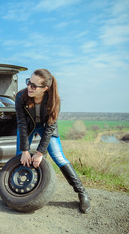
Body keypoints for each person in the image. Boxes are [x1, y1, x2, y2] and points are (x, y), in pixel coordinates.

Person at [15, 69, 91, 214]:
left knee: (58, 157)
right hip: (28, 127)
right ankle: (17, 195)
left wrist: (39, 152)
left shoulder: (54, 101)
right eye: (29, 82)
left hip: (46, 128)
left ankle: (82, 193)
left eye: (34, 86)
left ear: (45, 88)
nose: (29, 87)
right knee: (20, 155)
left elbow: (49, 128)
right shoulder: (21, 97)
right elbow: (22, 124)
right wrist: (25, 151)